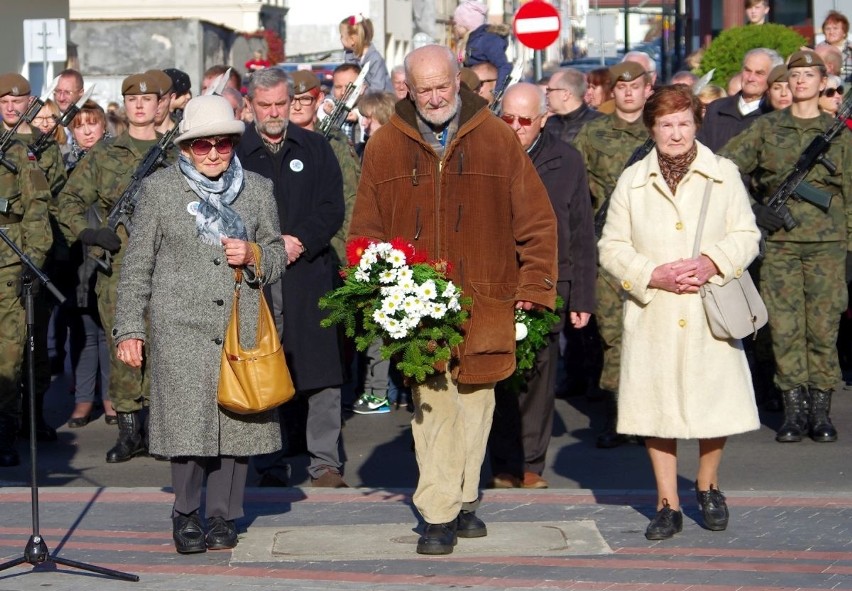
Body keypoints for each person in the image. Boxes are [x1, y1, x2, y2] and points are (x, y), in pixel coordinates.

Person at [349, 44, 557, 555]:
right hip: (418, 305)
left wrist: (534, 286)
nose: (436, 97)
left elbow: (536, 221)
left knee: (476, 407)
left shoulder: (497, 138)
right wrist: (378, 289)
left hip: (487, 298)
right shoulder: (385, 147)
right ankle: (439, 513)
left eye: (443, 86)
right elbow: (366, 229)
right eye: (425, 89)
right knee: (433, 408)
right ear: (409, 90)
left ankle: (465, 500)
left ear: (457, 81)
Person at [113, 94, 285, 554]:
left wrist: (254, 255)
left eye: (222, 145)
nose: (212, 153)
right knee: (187, 426)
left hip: (239, 322)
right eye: (202, 145)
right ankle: (186, 513)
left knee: (237, 420)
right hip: (179, 326)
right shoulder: (159, 190)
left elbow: (276, 256)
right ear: (186, 148)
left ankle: (225, 515)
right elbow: (137, 265)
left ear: (232, 144)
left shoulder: (258, 189)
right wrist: (130, 328)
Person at [598, 84, 762, 540]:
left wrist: (711, 262)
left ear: (697, 124)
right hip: (655, 312)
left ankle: (708, 487)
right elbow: (611, 246)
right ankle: (666, 504)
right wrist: (652, 274)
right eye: (666, 124)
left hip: (709, 307)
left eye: (684, 123)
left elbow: (747, 235)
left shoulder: (723, 173)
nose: (676, 133)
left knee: (715, 405)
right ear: (651, 128)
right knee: (656, 410)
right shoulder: (631, 181)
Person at [720, 50, 852, 444]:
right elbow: (724, 167)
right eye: (794, 75)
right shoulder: (765, 129)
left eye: (809, 75)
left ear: (822, 80)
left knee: (823, 328)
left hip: (828, 246)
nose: (800, 82)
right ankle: (793, 412)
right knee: (785, 328)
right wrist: (754, 209)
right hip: (780, 246)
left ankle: (820, 412)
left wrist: (849, 252)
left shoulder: (839, 134)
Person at [57, 70, 177, 463]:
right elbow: (68, 202)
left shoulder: (176, 153)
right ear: (125, 107)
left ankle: (160, 431)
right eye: (132, 100)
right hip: (120, 269)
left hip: (169, 266)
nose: (140, 106)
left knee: (164, 349)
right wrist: (90, 235)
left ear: (162, 104)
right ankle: (129, 432)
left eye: (147, 99)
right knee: (124, 349)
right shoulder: (105, 155)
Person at [237, 68, 348, 488]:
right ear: (249, 106)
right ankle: (268, 463)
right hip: (253, 276)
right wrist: (261, 249)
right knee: (264, 369)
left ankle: (325, 464)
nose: (273, 112)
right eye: (264, 105)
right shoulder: (234, 153)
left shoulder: (316, 147)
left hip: (308, 273)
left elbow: (331, 207)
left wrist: (299, 240)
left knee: (321, 372)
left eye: (280, 104)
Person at [489, 83, 595, 490]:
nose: (515, 127)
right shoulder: (488, 153)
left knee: (538, 376)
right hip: (497, 283)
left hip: (550, 283)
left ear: (544, 119)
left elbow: (582, 232)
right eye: (508, 118)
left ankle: (531, 463)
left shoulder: (566, 160)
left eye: (525, 120)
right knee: (498, 375)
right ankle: (502, 462)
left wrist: (582, 296)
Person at [572, 61, 652, 449]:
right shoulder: (593, 133)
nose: (628, 93)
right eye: (621, 87)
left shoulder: (661, 132)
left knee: (649, 332)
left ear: (647, 89)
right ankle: (618, 412)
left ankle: (649, 414)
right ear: (611, 92)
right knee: (612, 333)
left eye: (635, 86)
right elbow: (575, 183)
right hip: (608, 247)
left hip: (652, 249)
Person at [0, 74, 54, 468]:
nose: (10, 107)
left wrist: (32, 260)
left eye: (16, 101)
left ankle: (5, 432)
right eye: (3, 101)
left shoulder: (25, 153)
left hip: (9, 262)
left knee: (8, 354)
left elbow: (37, 208)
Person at [64, 100, 116, 428]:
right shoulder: (66, 164)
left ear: (103, 126)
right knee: (83, 333)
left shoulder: (115, 160)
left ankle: (111, 399)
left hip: (109, 254)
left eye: (92, 123)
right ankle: (83, 400)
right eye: (79, 125)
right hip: (77, 256)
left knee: (109, 332)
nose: (86, 130)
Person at [696, 48, 782, 152]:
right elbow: (701, 149)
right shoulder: (717, 109)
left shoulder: (774, 114)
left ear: (772, 77)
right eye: (747, 70)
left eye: (759, 73)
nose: (750, 78)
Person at [452, 0, 511, 85]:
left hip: (487, 90)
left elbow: (503, 67)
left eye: (457, 23)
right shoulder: (468, 42)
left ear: (466, 25)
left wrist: (497, 93)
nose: (455, 27)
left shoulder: (487, 40)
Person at [544, 68, 602, 144]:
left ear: (565, 94)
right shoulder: (548, 124)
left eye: (549, 90)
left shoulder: (600, 123)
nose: (546, 95)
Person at [340, 14, 393, 93]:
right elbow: (343, 81)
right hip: (361, 100)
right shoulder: (349, 56)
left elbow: (378, 88)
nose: (340, 39)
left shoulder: (375, 59)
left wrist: (362, 91)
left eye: (342, 36)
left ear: (352, 40)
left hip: (381, 101)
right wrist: (330, 100)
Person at [821, 10, 852, 82]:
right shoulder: (818, 50)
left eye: (835, 28)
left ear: (844, 32)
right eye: (828, 28)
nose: (831, 32)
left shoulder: (850, 49)